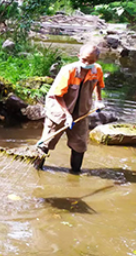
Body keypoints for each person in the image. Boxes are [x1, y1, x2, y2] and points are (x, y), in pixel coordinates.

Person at [36, 44, 105, 174]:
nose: (87, 63)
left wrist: (99, 100)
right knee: (47, 142)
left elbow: (98, 84)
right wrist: (67, 115)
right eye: (84, 59)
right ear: (79, 56)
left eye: (91, 61)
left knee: (79, 145)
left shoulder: (97, 70)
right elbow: (57, 95)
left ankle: (75, 173)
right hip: (59, 109)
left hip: (81, 112)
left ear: (96, 59)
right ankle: (37, 169)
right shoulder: (69, 70)